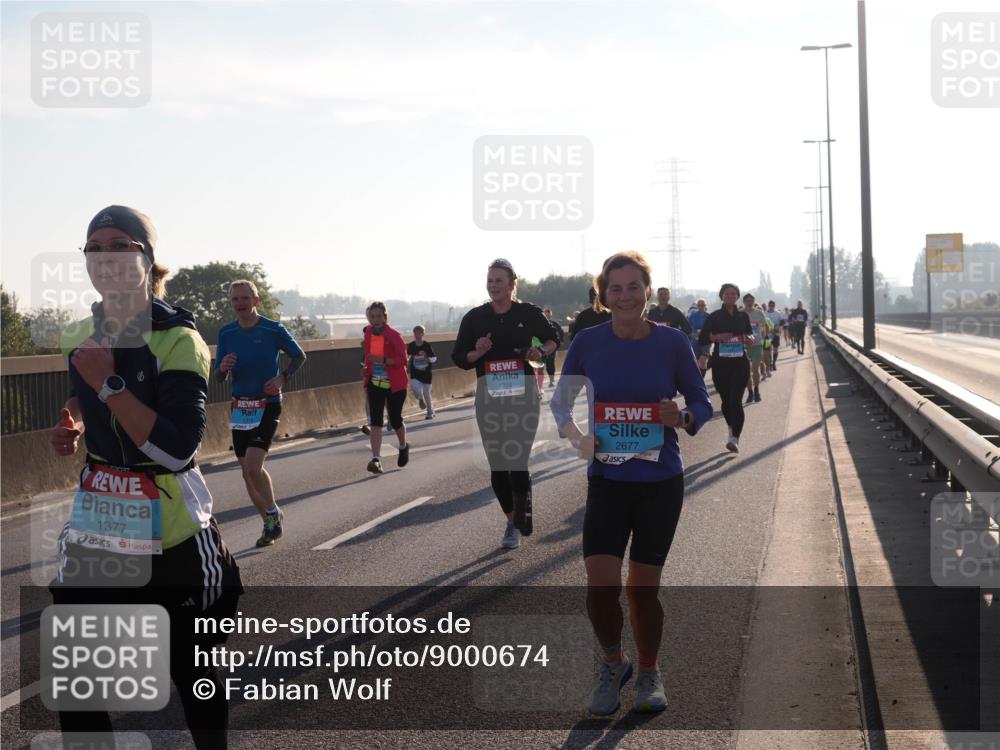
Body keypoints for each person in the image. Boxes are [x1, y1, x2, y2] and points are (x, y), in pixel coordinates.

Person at [50, 205, 242, 749]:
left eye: (120, 246)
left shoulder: (179, 340)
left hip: (173, 530)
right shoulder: (82, 331)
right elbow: (81, 393)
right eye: (95, 248)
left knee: (193, 674)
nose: (105, 258)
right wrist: (74, 423)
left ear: (148, 258)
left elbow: (177, 448)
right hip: (98, 522)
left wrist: (108, 385)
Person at [550, 251, 712, 715]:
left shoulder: (673, 343)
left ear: (647, 290)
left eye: (633, 287)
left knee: (643, 590)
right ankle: (612, 663)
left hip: (660, 482)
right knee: (600, 587)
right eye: (615, 288)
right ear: (604, 295)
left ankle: (647, 671)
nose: (625, 296)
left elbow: (702, 404)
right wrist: (577, 438)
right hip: (607, 480)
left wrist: (679, 416)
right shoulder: (587, 342)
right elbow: (561, 403)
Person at [452, 259, 557, 549]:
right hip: (490, 400)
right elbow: (459, 358)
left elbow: (553, 339)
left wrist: (541, 351)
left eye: (499, 280)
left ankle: (520, 511)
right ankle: (512, 519)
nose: (493, 285)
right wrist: (477, 352)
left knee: (517, 461)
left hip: (523, 396)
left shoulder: (529, 313)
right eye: (490, 280)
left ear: (512, 285)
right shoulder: (475, 319)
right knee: (498, 466)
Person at [215, 280, 306, 547]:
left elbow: (299, 356)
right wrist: (223, 367)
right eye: (235, 300)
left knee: (254, 466)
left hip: (268, 403)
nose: (240, 304)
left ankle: (271, 513)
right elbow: (218, 377)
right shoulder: (226, 333)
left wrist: (282, 378)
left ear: (256, 301)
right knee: (246, 472)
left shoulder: (272, 329)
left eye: (245, 298)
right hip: (241, 407)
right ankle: (270, 519)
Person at [697, 284, 755, 453]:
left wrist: (749, 338)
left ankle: (735, 438)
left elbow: (749, 333)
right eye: (727, 293)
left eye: (733, 294)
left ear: (737, 296)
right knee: (725, 402)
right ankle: (731, 427)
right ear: (722, 296)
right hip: (720, 364)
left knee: (736, 401)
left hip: (740, 363)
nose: (730, 296)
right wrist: (716, 336)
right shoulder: (714, 317)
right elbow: (702, 338)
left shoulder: (743, 316)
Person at [362, 301, 410, 474]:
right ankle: (376, 459)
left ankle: (403, 446)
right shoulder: (368, 334)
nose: (375, 320)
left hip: (395, 384)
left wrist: (383, 361)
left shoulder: (394, 335)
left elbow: (403, 360)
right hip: (375, 383)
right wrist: (367, 369)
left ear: (385, 317)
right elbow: (369, 357)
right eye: (372, 316)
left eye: (379, 316)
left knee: (395, 419)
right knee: (375, 421)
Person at [742, 294, 767, 403]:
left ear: (754, 301)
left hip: (757, 345)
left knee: (755, 369)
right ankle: (750, 392)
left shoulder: (759, 313)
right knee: (746, 372)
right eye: (747, 300)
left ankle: (757, 391)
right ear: (744, 302)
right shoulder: (740, 314)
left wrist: (764, 335)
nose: (749, 302)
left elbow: (765, 325)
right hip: (745, 345)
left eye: (751, 300)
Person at [408, 324, 437, 419]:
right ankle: (420, 399)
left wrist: (427, 359)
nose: (417, 334)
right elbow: (407, 357)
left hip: (426, 373)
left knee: (426, 393)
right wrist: (407, 363)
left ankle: (430, 412)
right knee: (416, 391)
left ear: (423, 334)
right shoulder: (411, 345)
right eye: (415, 333)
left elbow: (434, 358)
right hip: (415, 372)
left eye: (419, 333)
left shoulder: (427, 345)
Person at [687, 298, 711, 377]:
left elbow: (713, 328)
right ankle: (697, 378)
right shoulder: (693, 315)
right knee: (696, 362)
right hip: (695, 341)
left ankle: (701, 379)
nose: (701, 307)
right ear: (697, 306)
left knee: (703, 360)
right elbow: (687, 326)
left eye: (703, 305)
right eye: (699, 305)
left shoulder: (709, 316)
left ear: (706, 306)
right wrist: (691, 334)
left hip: (705, 341)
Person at [542, 307, 564, 388]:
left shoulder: (555, 324)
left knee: (550, 363)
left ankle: (551, 380)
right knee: (541, 365)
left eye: (548, 315)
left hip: (551, 347)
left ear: (551, 315)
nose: (547, 317)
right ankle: (539, 382)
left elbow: (560, 332)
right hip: (541, 347)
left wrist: (560, 341)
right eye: (545, 315)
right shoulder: (538, 323)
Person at [764, 300, 783, 371]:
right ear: (768, 306)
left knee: (775, 350)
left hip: (776, 334)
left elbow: (782, 322)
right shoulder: (764, 313)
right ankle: (770, 363)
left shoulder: (778, 313)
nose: (771, 307)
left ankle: (774, 363)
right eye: (770, 306)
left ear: (774, 306)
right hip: (767, 335)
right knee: (768, 350)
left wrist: (778, 326)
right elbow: (762, 323)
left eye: (772, 306)